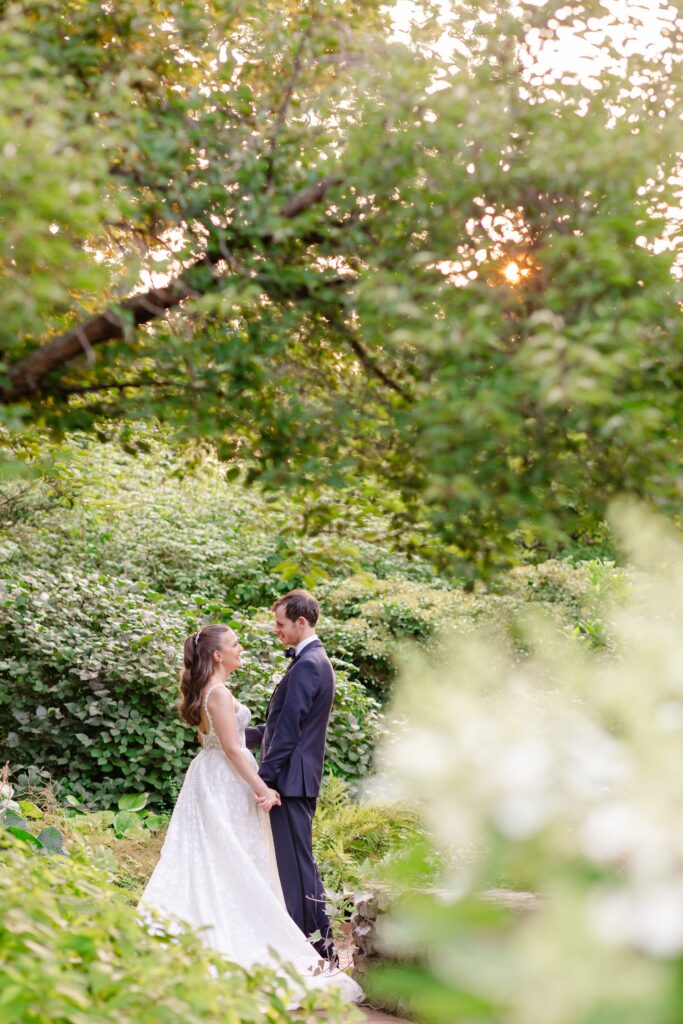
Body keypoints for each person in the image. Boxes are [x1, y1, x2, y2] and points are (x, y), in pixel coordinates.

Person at [138, 623, 362, 1005]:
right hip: (224, 782)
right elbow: (233, 749)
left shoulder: (206, 693)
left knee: (213, 862)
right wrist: (263, 787)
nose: (241, 648)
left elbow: (218, 742)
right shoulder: (219, 693)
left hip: (209, 780)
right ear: (217, 656)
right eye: (234, 644)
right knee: (232, 862)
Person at [246, 589, 338, 961]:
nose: (276, 630)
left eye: (281, 624)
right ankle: (320, 950)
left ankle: (317, 952)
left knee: (297, 869)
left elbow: (288, 732)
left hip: (290, 782)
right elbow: (278, 727)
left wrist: (264, 779)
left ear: (302, 622)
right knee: (298, 865)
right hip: (295, 779)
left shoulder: (308, 665)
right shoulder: (312, 662)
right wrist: (234, 736)